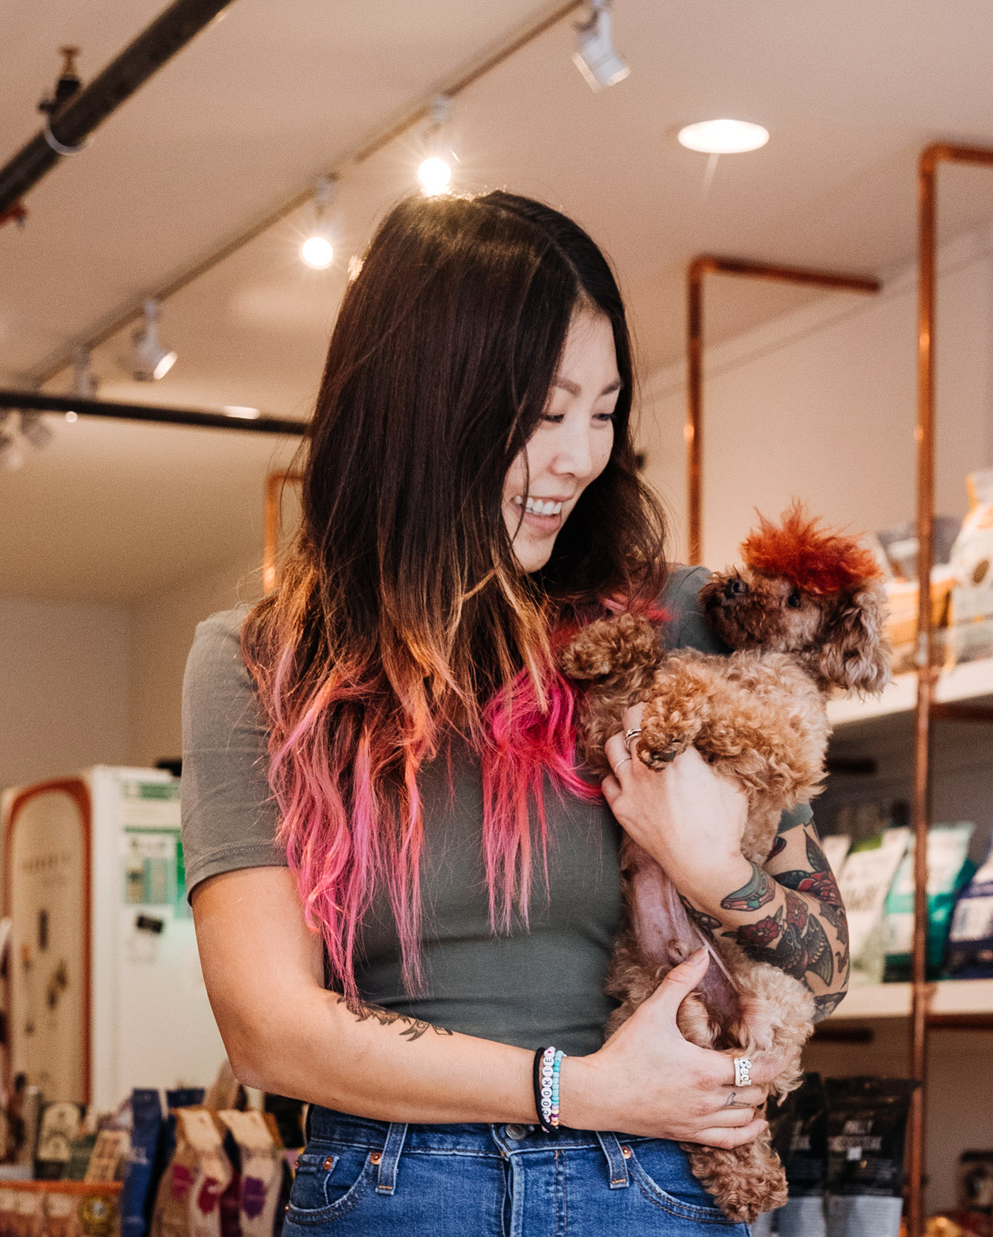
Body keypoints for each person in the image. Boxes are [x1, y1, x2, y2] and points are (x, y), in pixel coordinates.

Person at [183, 190, 849, 1235]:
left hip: (657, 1189)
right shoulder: (260, 665)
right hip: (395, 1192)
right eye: (543, 414)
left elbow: (827, 963)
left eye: (603, 410)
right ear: (420, 406)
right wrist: (573, 1090)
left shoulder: (675, 623)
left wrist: (715, 866)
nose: (580, 456)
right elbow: (267, 1026)